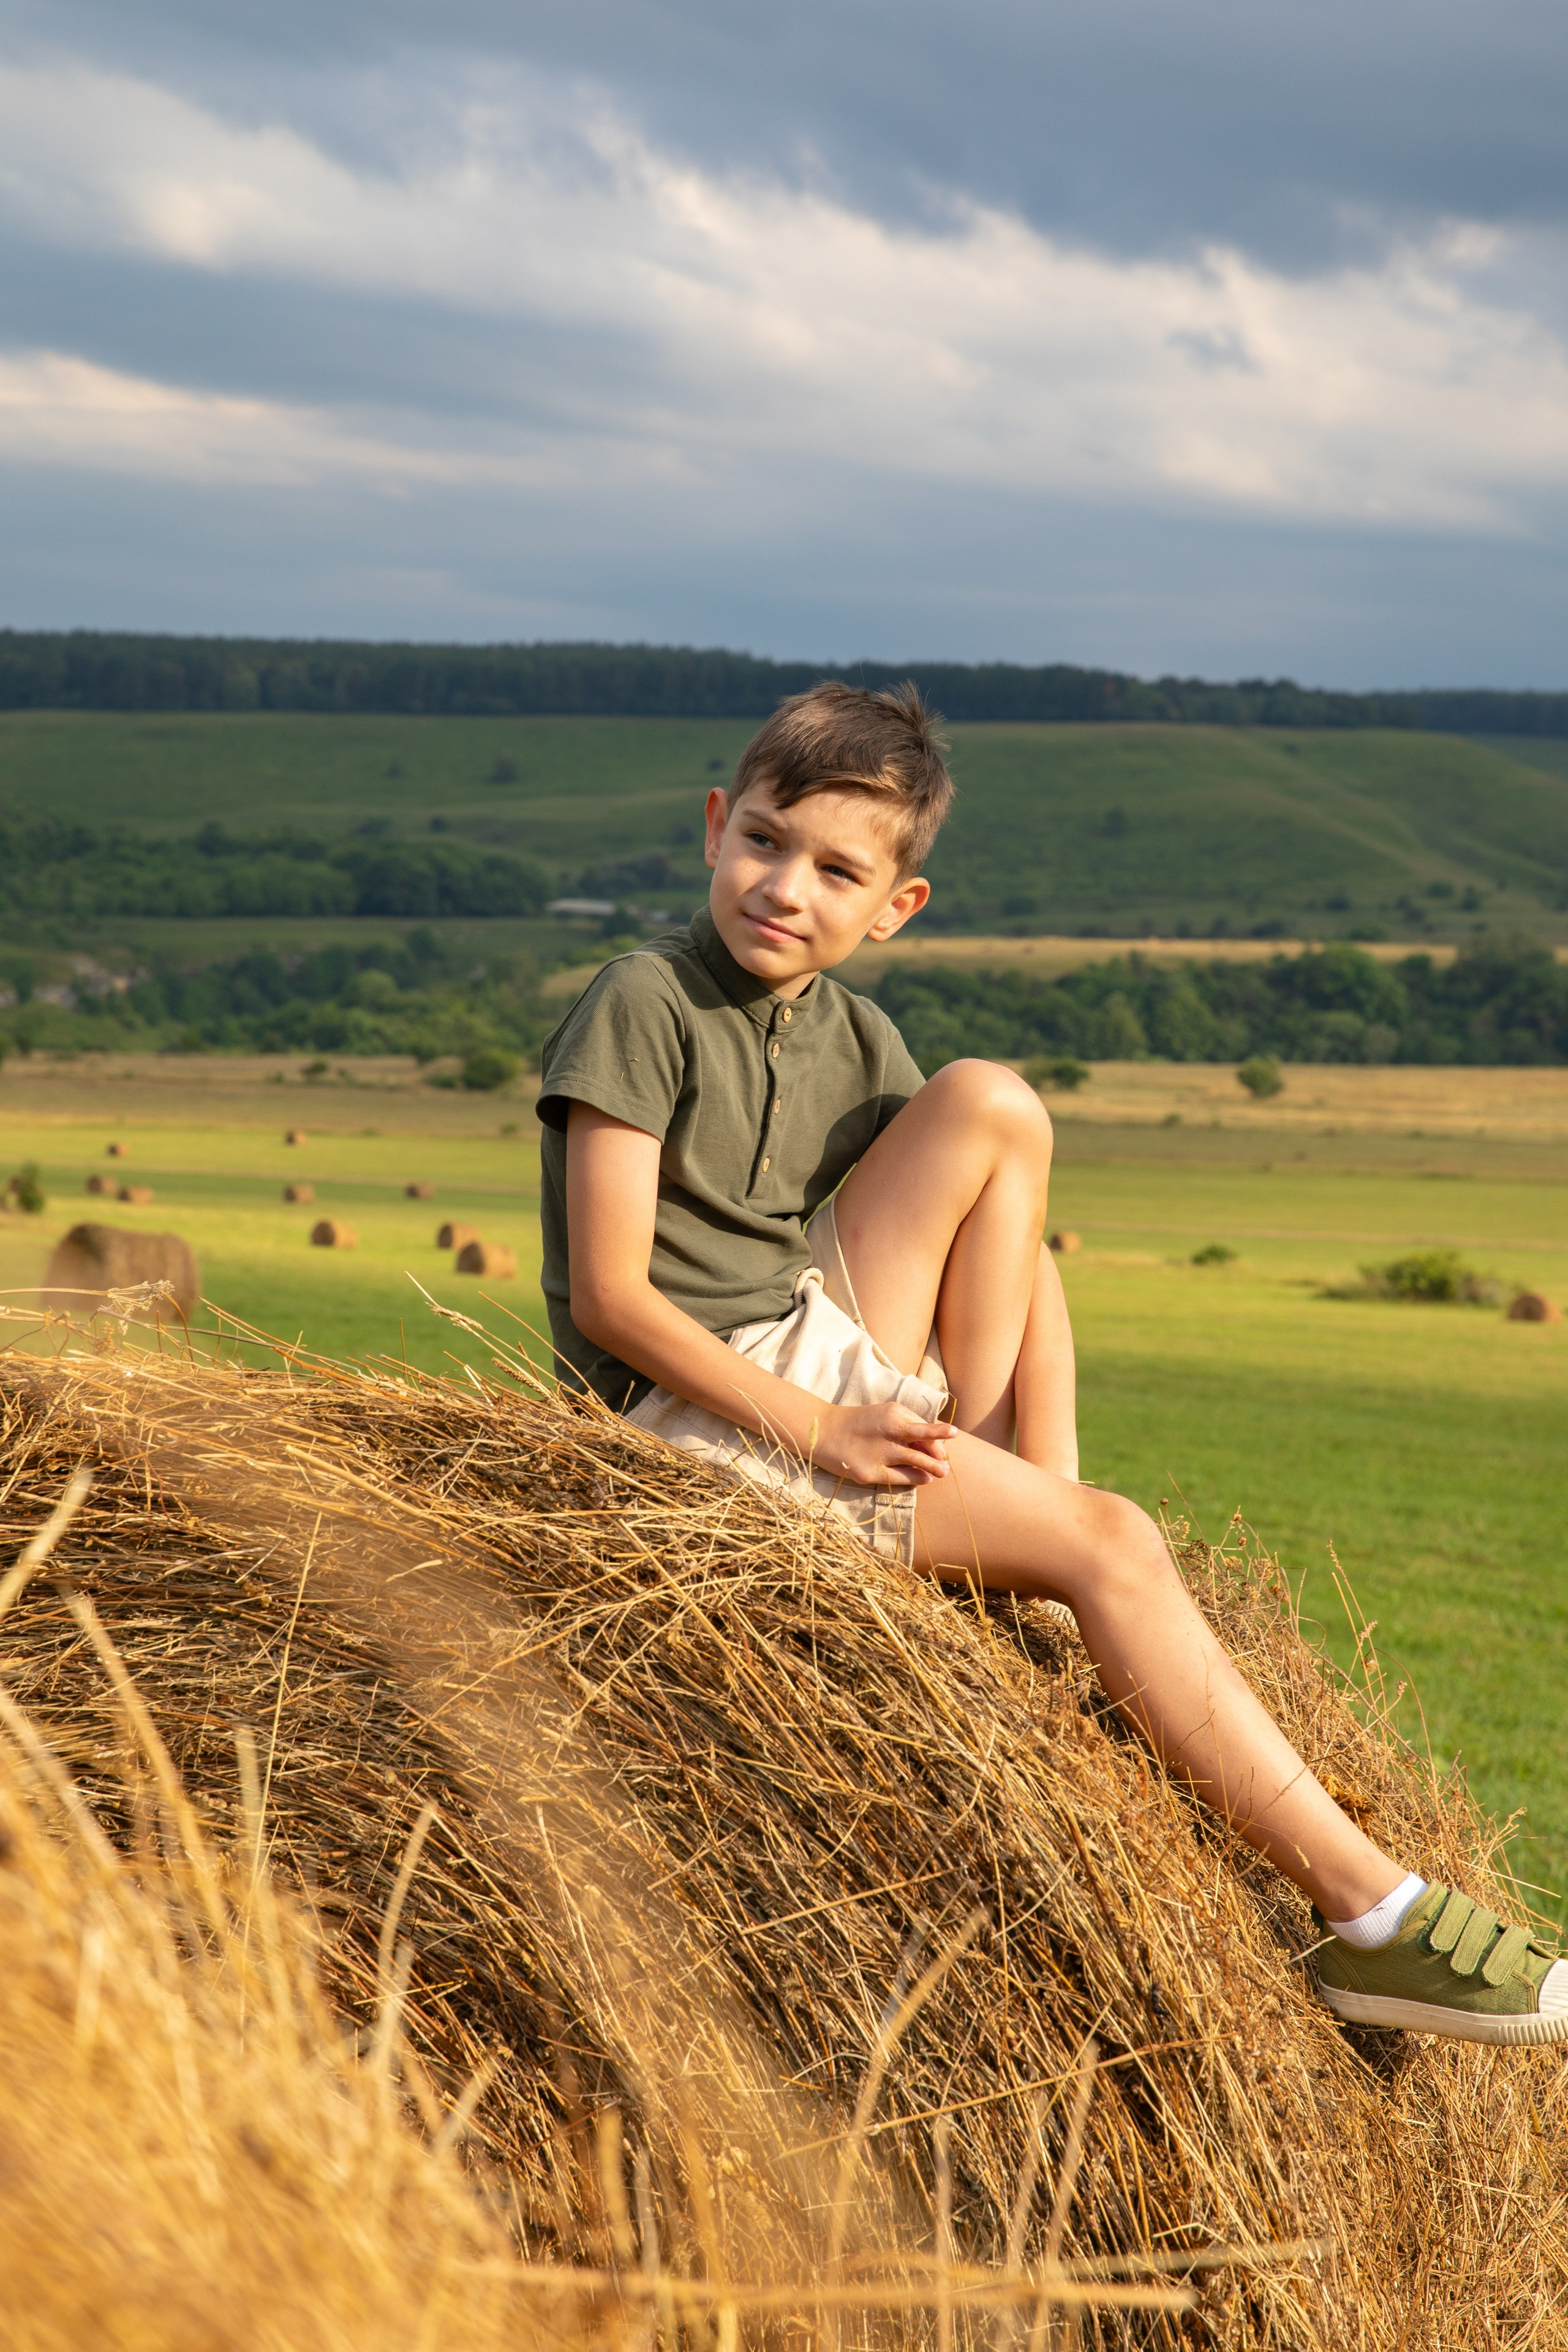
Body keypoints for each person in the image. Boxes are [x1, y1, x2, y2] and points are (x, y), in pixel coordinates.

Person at [537, 680, 1566, 2046]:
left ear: (893, 908)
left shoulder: (853, 1041)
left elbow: (1010, 1258)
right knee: (1116, 1541)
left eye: (836, 870)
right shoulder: (643, 998)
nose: (784, 887)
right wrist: (819, 1434)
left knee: (992, 1114)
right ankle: (1370, 1917)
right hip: (687, 1422)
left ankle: (1044, 1536)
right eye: (766, 842)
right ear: (716, 827)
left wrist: (1041, 1492)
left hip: (809, 1352)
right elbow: (610, 1297)